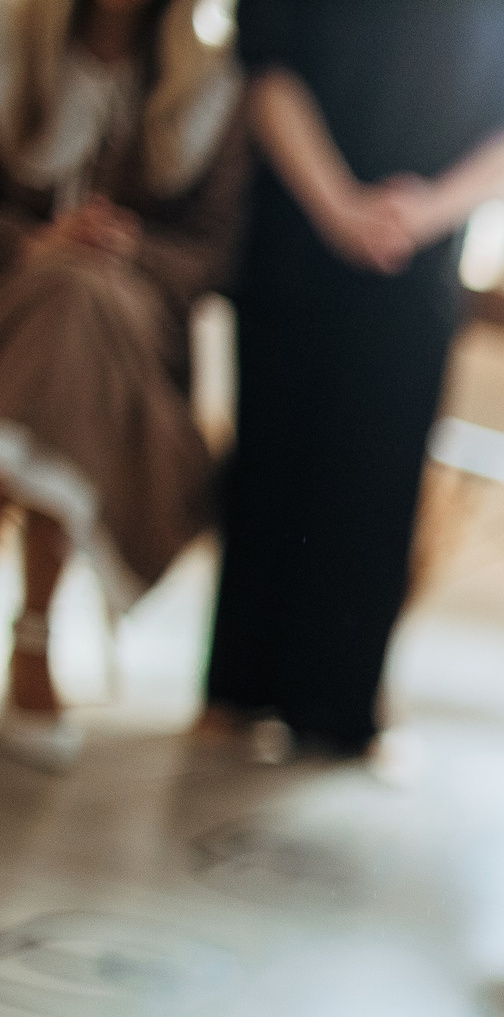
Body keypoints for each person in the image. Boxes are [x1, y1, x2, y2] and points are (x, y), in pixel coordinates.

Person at [197, 0, 504, 760]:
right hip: (292, 244)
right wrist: (337, 204)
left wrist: (419, 215)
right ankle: (232, 692)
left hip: (414, 277)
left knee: (377, 490)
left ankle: (338, 711)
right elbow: (267, 69)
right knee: (268, 469)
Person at [0, 0, 245, 771]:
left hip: (128, 329)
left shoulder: (209, 84)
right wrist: (34, 245)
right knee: (64, 302)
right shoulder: (10, 45)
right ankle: (32, 642)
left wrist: (120, 250)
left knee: (81, 308)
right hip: (11, 294)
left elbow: (214, 257)